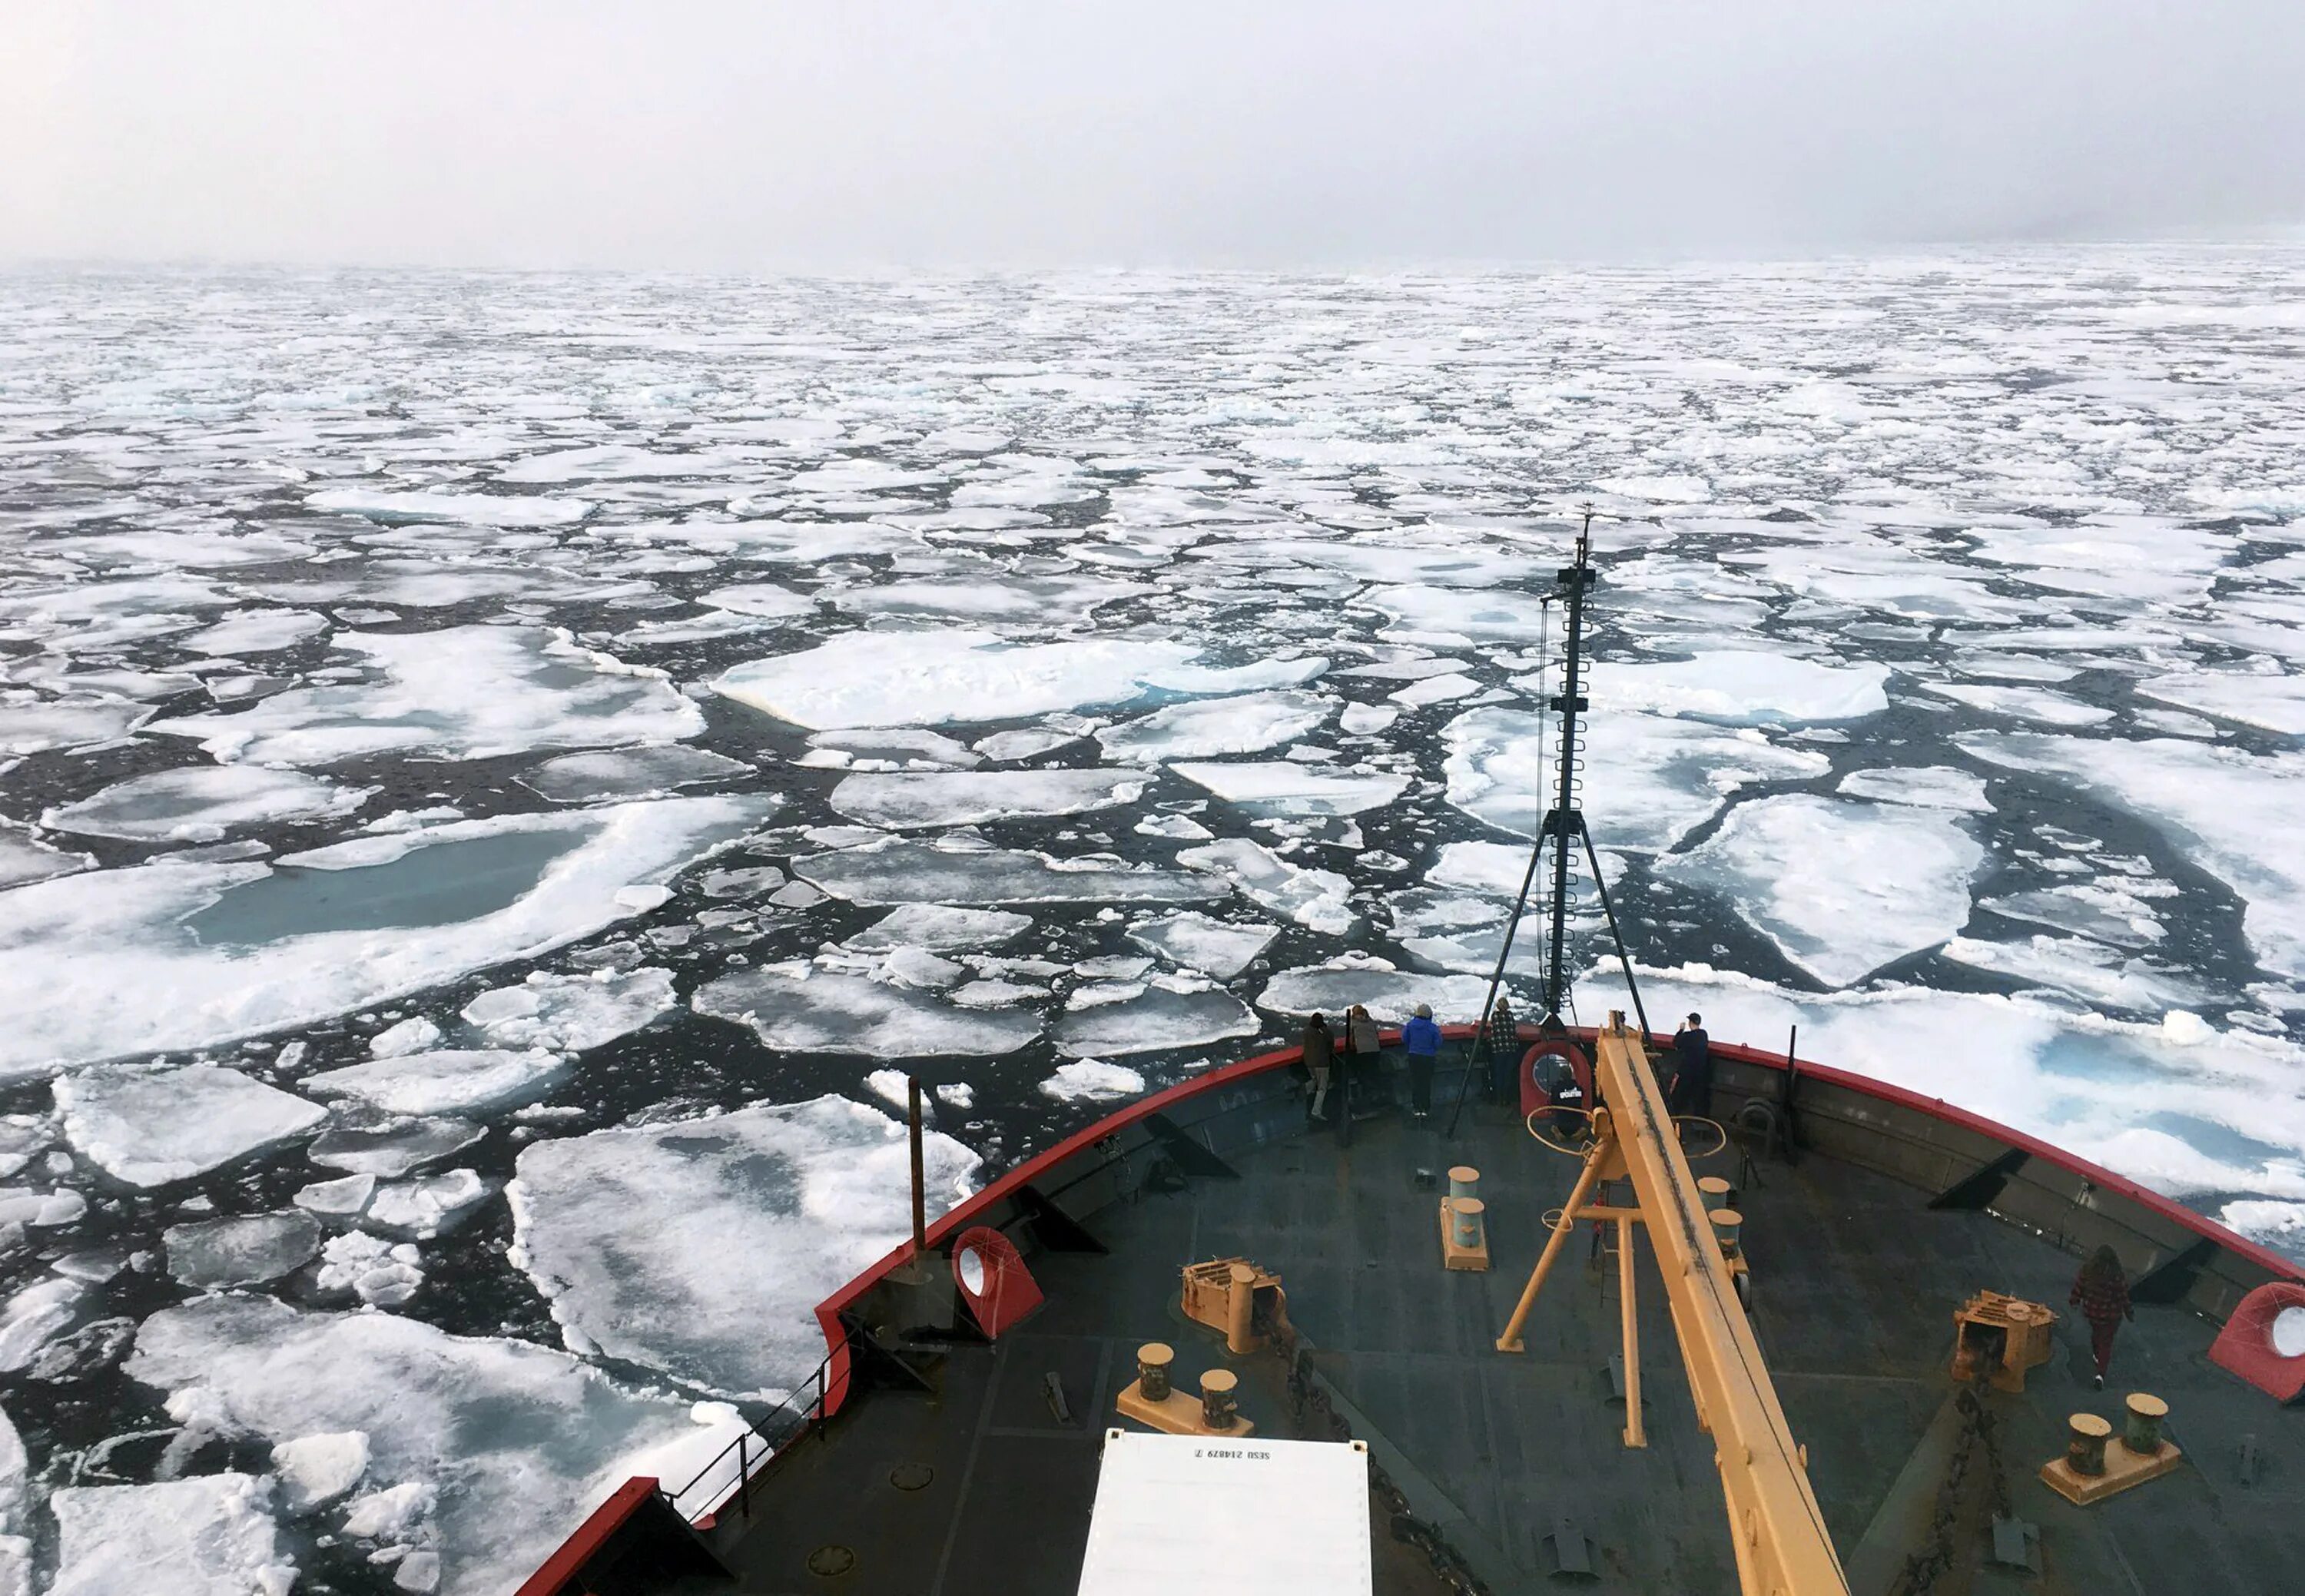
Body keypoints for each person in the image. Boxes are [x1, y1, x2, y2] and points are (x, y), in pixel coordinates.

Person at [2071, 1245, 2134, 1389]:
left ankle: (2096, 1354)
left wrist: (2074, 1301)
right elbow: (2123, 1296)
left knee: (2096, 1334)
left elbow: (2079, 1287)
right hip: (2111, 1316)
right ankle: (2100, 1374)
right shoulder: (2116, 1276)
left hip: (2092, 1313)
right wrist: (2129, 1312)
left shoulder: (2088, 1271)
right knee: (2106, 1343)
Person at [1402, 1002, 1443, 1119]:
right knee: (1426, 1083)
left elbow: (1404, 1039)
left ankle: (1416, 1108)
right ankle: (1425, 1108)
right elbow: (1438, 1043)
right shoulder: (1433, 1028)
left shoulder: (1410, 1025)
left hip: (1414, 1056)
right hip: (1428, 1058)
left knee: (1416, 1082)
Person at [1669, 1012, 1711, 1117]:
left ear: (1690, 1023)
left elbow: (1676, 1043)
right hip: (1701, 1072)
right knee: (1698, 1098)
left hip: (1686, 1071)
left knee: (1679, 1096)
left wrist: (1680, 1030)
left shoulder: (1687, 1036)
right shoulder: (1704, 1035)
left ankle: (1674, 1115)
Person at [1483, 996, 1519, 1101]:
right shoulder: (1510, 1015)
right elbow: (1512, 1030)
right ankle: (1506, 1098)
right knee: (1508, 1074)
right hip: (1510, 1048)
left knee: (1499, 1074)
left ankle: (1498, 1097)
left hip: (1498, 1049)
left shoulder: (1495, 1016)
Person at [1302, 1013, 1334, 1121]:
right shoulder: (1325, 1032)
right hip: (1322, 1063)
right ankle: (1316, 1112)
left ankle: (1305, 1091)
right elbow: (1330, 1043)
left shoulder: (1307, 1031)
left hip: (1309, 1062)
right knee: (1322, 1088)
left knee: (1314, 1079)